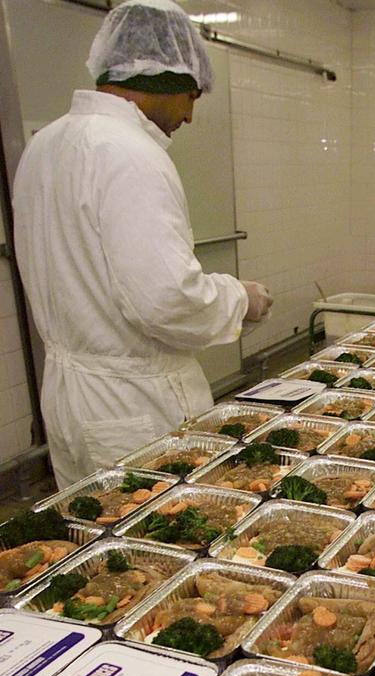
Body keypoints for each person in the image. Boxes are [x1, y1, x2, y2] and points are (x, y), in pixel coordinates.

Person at [13, 0, 272, 488]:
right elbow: (166, 300)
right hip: (131, 405)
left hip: (71, 399)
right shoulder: (130, 153)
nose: (190, 116)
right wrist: (242, 299)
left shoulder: (46, 144)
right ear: (167, 78)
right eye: (192, 96)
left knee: (96, 539)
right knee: (161, 536)